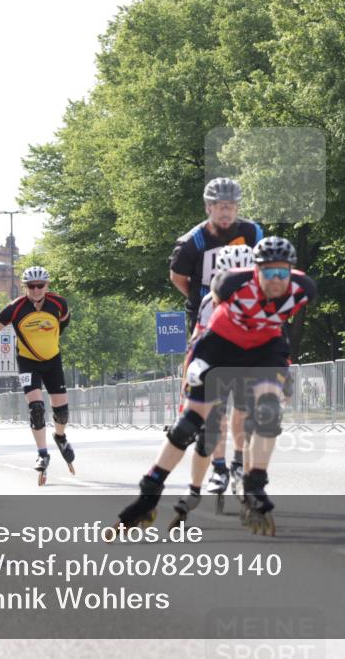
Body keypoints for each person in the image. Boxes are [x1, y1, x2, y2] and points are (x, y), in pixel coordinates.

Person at [117, 237, 315, 536]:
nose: (276, 280)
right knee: (190, 424)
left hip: (265, 347)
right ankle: (150, 492)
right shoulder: (229, 285)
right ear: (255, 271)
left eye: (282, 273)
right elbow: (201, 333)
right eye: (269, 272)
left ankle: (254, 486)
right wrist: (191, 375)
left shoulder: (304, 289)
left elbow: (280, 326)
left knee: (268, 412)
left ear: (292, 271)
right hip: (220, 345)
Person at [0, 266, 74, 485]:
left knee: (62, 413)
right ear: (25, 287)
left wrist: (51, 339)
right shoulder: (15, 308)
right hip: (28, 362)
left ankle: (60, 436)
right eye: (31, 286)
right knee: (36, 409)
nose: (36, 290)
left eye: (41, 286)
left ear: (47, 286)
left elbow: (65, 320)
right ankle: (42, 452)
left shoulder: (59, 303)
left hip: (53, 361)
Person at [170, 243, 256, 524]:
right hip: (216, 362)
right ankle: (219, 467)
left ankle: (239, 463)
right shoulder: (209, 302)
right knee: (216, 414)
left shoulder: (263, 298)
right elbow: (195, 344)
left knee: (244, 412)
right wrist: (187, 383)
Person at [169, 177, 264, 333]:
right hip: (205, 314)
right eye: (220, 207)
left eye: (230, 207)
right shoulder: (191, 242)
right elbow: (177, 277)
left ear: (237, 208)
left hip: (246, 309)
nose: (225, 213)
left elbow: (262, 267)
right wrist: (198, 296)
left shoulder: (253, 232)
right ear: (208, 207)